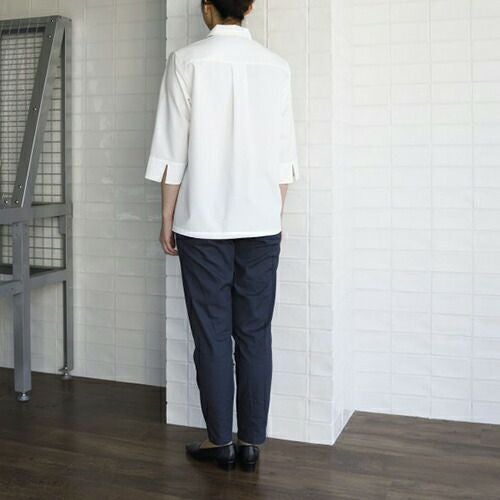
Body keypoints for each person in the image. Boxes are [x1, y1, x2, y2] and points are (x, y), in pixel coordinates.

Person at [145, 0, 300, 472]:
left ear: (207, 8)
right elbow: (284, 157)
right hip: (262, 223)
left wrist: (167, 216)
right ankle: (251, 442)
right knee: (254, 332)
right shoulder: (276, 67)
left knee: (211, 335)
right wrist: (272, 215)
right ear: (250, 6)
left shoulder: (186, 61)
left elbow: (172, 149)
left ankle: (220, 442)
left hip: (203, 222)